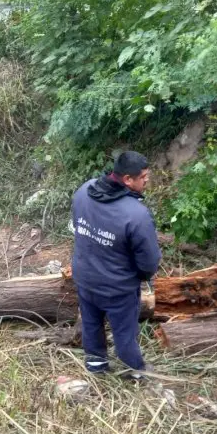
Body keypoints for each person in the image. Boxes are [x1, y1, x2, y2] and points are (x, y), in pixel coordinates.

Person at [71, 151, 162, 378]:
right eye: (143, 177)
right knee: (124, 331)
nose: (147, 180)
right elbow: (149, 260)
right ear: (127, 180)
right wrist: (141, 276)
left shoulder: (84, 191)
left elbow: (78, 229)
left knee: (91, 322)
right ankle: (134, 369)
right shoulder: (136, 215)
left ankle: (96, 365)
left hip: (84, 277)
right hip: (117, 287)